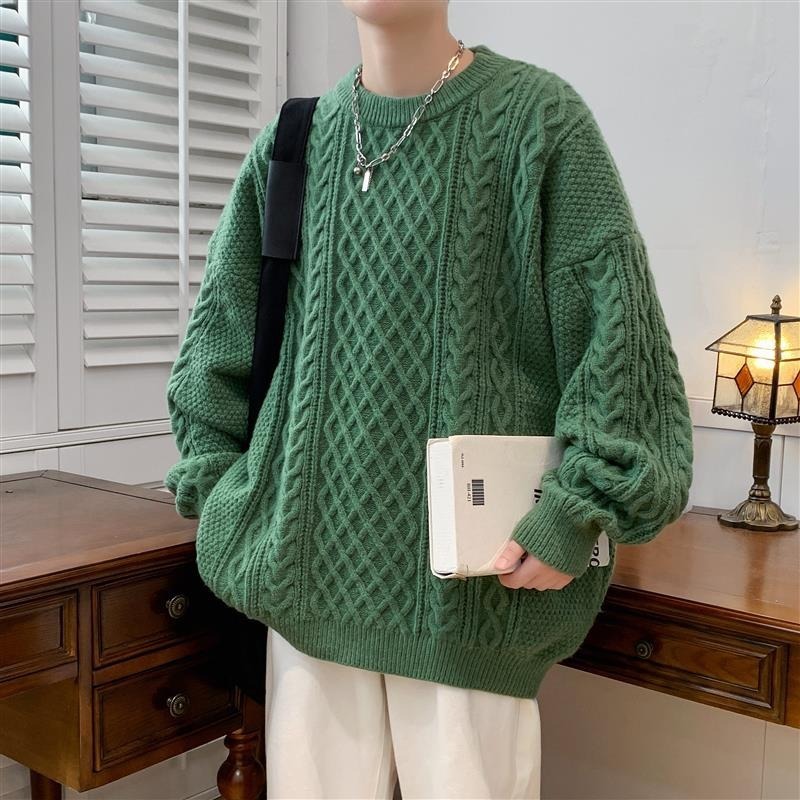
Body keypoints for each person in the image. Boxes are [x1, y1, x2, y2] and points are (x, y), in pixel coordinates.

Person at [164, 1, 694, 798]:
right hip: (305, 597)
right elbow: (218, 344)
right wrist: (224, 496)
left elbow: (620, 344)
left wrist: (574, 512)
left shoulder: (538, 122)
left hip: (475, 601)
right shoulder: (291, 143)